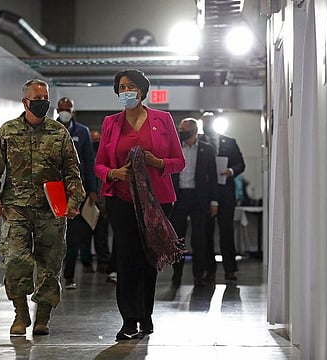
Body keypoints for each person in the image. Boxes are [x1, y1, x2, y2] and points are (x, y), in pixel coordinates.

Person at [0, 79, 85, 336]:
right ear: (25, 101)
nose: (43, 102)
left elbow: (73, 171)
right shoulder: (8, 131)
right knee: (15, 259)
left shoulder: (59, 133)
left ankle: (43, 316)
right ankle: (20, 312)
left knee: (49, 264)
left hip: (51, 209)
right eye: (37, 98)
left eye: (45, 98)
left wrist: (74, 202)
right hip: (16, 207)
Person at [94, 69, 185, 340]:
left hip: (156, 202)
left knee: (148, 259)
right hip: (121, 200)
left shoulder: (163, 119)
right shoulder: (111, 123)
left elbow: (179, 161)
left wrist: (158, 163)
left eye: (131, 86)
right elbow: (98, 164)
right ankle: (128, 320)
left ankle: (146, 316)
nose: (126, 91)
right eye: (121, 87)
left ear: (143, 91)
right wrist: (114, 173)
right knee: (125, 259)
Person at [170, 118, 218, 288]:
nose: (181, 132)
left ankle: (198, 276)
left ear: (194, 130)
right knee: (177, 239)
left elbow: (213, 177)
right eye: (180, 129)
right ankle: (177, 274)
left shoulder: (207, 149)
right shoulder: (175, 148)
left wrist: (214, 201)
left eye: (184, 129)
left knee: (199, 240)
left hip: (199, 198)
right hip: (180, 196)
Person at [56, 97, 98, 289]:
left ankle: (69, 275)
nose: (64, 111)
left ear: (73, 111)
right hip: (55, 190)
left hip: (75, 191)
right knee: (53, 235)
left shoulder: (82, 132)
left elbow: (89, 162)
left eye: (67, 108)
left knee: (73, 235)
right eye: (61, 108)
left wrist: (92, 190)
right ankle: (52, 275)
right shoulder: (49, 129)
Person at [200, 111, 245, 281]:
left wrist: (231, 171)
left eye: (209, 122)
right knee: (206, 232)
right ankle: (208, 269)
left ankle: (230, 269)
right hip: (206, 192)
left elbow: (241, 164)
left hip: (225, 191)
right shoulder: (199, 142)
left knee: (226, 231)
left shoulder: (229, 142)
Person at [90, 130, 112, 275]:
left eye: (98, 140)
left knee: (102, 234)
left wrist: (103, 200)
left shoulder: (107, 156)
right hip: (90, 201)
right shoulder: (87, 157)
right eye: (93, 140)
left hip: (105, 201)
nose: (96, 143)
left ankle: (104, 260)